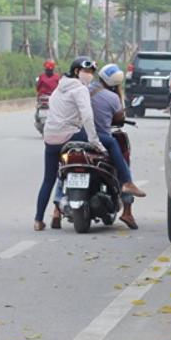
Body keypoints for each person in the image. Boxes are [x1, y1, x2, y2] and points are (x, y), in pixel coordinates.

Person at [36, 57, 100, 232]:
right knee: (106, 143)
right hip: (70, 136)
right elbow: (87, 116)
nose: (89, 75)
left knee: (49, 179)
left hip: (50, 138)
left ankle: (38, 220)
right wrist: (95, 140)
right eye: (86, 72)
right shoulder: (80, 89)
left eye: (91, 72)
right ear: (77, 72)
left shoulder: (59, 88)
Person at [91, 63, 147, 229]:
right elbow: (118, 119)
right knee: (123, 163)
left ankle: (57, 208)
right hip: (102, 137)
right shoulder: (113, 98)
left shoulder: (84, 90)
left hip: (78, 136)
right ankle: (127, 210)